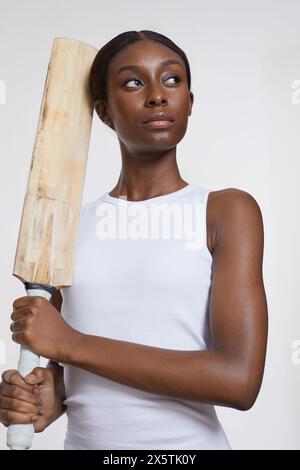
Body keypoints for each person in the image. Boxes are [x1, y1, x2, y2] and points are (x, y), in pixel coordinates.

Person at [0, 30, 268, 450]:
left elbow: (238, 379)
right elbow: (70, 369)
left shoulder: (225, 211)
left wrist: (70, 345)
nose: (158, 96)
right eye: (133, 82)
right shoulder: (66, 226)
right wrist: (47, 393)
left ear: (190, 102)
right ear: (103, 112)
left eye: (172, 80)